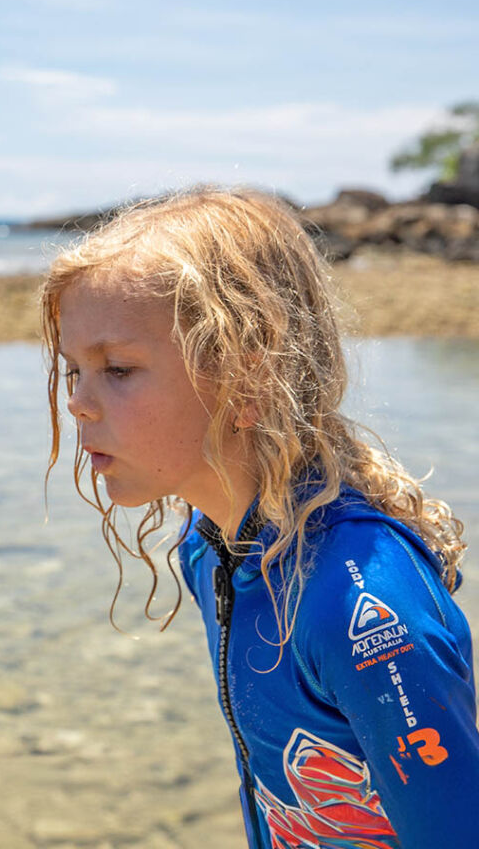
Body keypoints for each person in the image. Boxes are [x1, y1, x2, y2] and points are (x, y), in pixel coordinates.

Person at [40, 187, 479, 847]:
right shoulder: (210, 548)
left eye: (119, 369)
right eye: (74, 370)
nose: (77, 403)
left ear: (249, 382)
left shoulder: (359, 606)